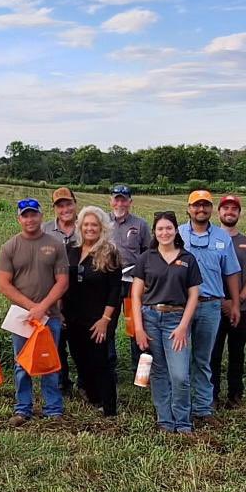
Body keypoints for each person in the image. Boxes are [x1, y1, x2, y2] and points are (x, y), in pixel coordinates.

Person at [0, 198, 70, 426]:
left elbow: (63, 282)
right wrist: (32, 307)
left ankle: (53, 409)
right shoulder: (10, 247)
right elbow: (4, 284)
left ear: (41, 216)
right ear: (19, 219)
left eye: (33, 214)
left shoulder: (55, 245)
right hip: (22, 318)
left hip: (50, 317)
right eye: (25, 215)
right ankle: (23, 409)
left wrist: (43, 307)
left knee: (49, 362)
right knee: (22, 364)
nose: (30, 219)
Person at [131, 211, 202, 434]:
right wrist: (139, 328)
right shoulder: (146, 258)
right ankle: (165, 420)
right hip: (150, 318)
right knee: (158, 371)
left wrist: (183, 327)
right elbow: (136, 295)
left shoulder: (188, 259)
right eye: (160, 229)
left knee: (180, 374)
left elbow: (194, 295)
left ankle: (182, 421)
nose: (165, 233)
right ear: (154, 232)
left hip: (176, 320)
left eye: (169, 228)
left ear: (176, 230)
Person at [178, 190, 241, 426]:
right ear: (189, 208)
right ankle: (181, 406)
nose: (201, 209)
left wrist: (235, 303)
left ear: (211, 209)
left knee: (204, 359)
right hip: (181, 307)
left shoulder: (222, 238)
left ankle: (203, 408)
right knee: (181, 360)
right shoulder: (177, 234)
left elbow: (231, 272)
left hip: (210, 306)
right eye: (196, 205)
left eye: (205, 205)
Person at [63, 206, 122, 417]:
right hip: (73, 316)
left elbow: (115, 289)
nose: (90, 228)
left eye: (94, 225)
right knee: (80, 359)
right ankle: (93, 396)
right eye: (86, 224)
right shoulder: (71, 249)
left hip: (98, 318)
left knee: (101, 361)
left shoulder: (110, 252)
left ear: (102, 227)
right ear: (79, 226)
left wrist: (106, 319)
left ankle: (109, 407)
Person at [209, 194, 246, 408]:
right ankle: (211, 395)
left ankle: (235, 395)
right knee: (212, 354)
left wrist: (237, 301)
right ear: (219, 212)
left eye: (234, 209)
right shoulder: (209, 239)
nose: (229, 212)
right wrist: (223, 301)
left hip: (242, 307)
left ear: (239, 213)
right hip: (214, 306)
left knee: (237, 354)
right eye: (226, 208)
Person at [108, 184, 150, 382]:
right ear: (111, 201)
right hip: (109, 281)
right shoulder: (103, 222)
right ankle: (109, 369)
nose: (120, 203)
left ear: (130, 202)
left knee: (136, 326)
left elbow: (148, 253)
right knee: (108, 325)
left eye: (124, 199)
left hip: (133, 281)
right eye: (116, 199)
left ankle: (140, 372)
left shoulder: (140, 225)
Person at [43, 187, 78, 395]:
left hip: (81, 293)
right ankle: (61, 382)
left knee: (81, 342)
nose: (65, 209)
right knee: (56, 341)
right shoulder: (45, 230)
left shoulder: (86, 227)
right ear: (55, 208)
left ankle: (86, 383)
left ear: (75, 203)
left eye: (68, 204)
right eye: (60, 206)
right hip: (54, 293)